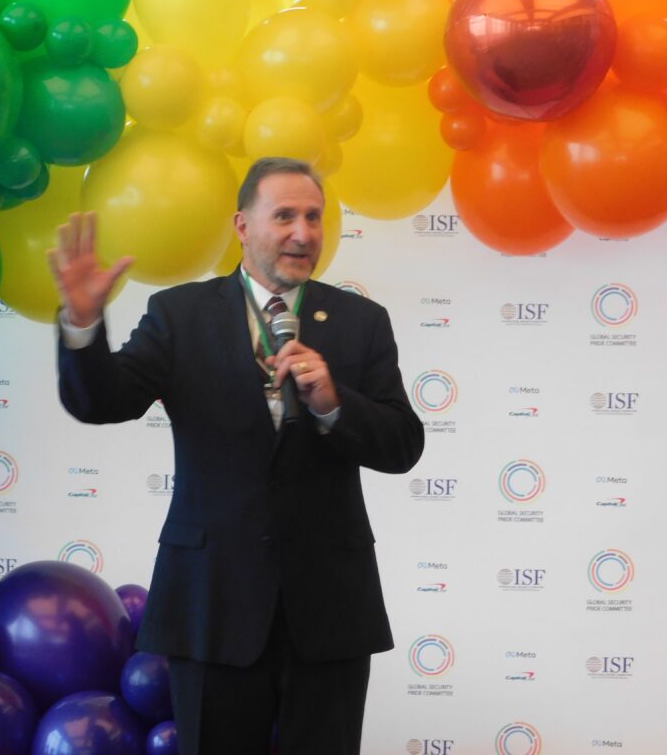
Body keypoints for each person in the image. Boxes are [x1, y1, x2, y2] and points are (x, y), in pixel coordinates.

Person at [50, 157, 424, 754]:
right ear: (242, 225)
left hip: (329, 608)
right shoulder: (180, 315)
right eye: (284, 216)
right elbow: (103, 401)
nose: (303, 232)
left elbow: (404, 444)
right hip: (212, 602)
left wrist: (333, 402)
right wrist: (82, 324)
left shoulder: (360, 322)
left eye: (313, 216)